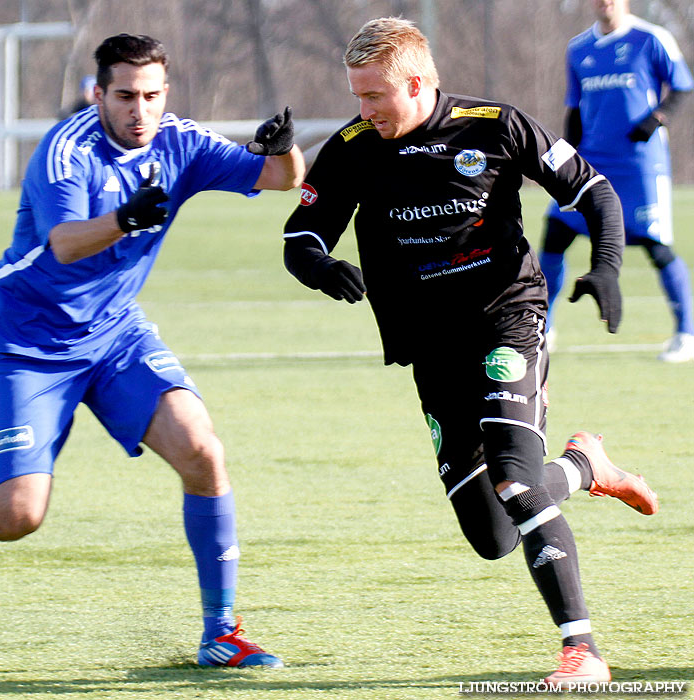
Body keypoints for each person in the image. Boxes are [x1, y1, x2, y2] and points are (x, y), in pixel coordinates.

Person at [0, 33, 303, 668]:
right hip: (30, 338)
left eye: (150, 96)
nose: (138, 111)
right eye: (124, 96)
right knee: (16, 516)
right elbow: (63, 243)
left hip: (115, 334)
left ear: (165, 95)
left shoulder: (181, 143)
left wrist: (284, 149)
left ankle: (220, 631)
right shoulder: (67, 149)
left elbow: (280, 180)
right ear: (98, 94)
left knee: (202, 449)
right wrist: (126, 219)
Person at [282, 16, 659, 688]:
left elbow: (593, 190)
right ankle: (581, 466)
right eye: (356, 97)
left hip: (505, 321)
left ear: (419, 83)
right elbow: (300, 236)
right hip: (430, 349)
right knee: (493, 536)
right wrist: (318, 266)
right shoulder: (352, 147)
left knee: (514, 477)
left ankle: (582, 652)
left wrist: (604, 264)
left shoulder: (494, 127)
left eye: (375, 96)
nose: (363, 111)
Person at [540, 0, 694, 362]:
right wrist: (567, 158)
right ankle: (543, 328)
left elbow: (683, 86)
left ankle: (686, 333)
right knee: (555, 233)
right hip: (592, 161)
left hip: (641, 165)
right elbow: (575, 108)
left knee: (657, 247)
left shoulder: (651, 38)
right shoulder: (579, 48)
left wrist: (657, 118)